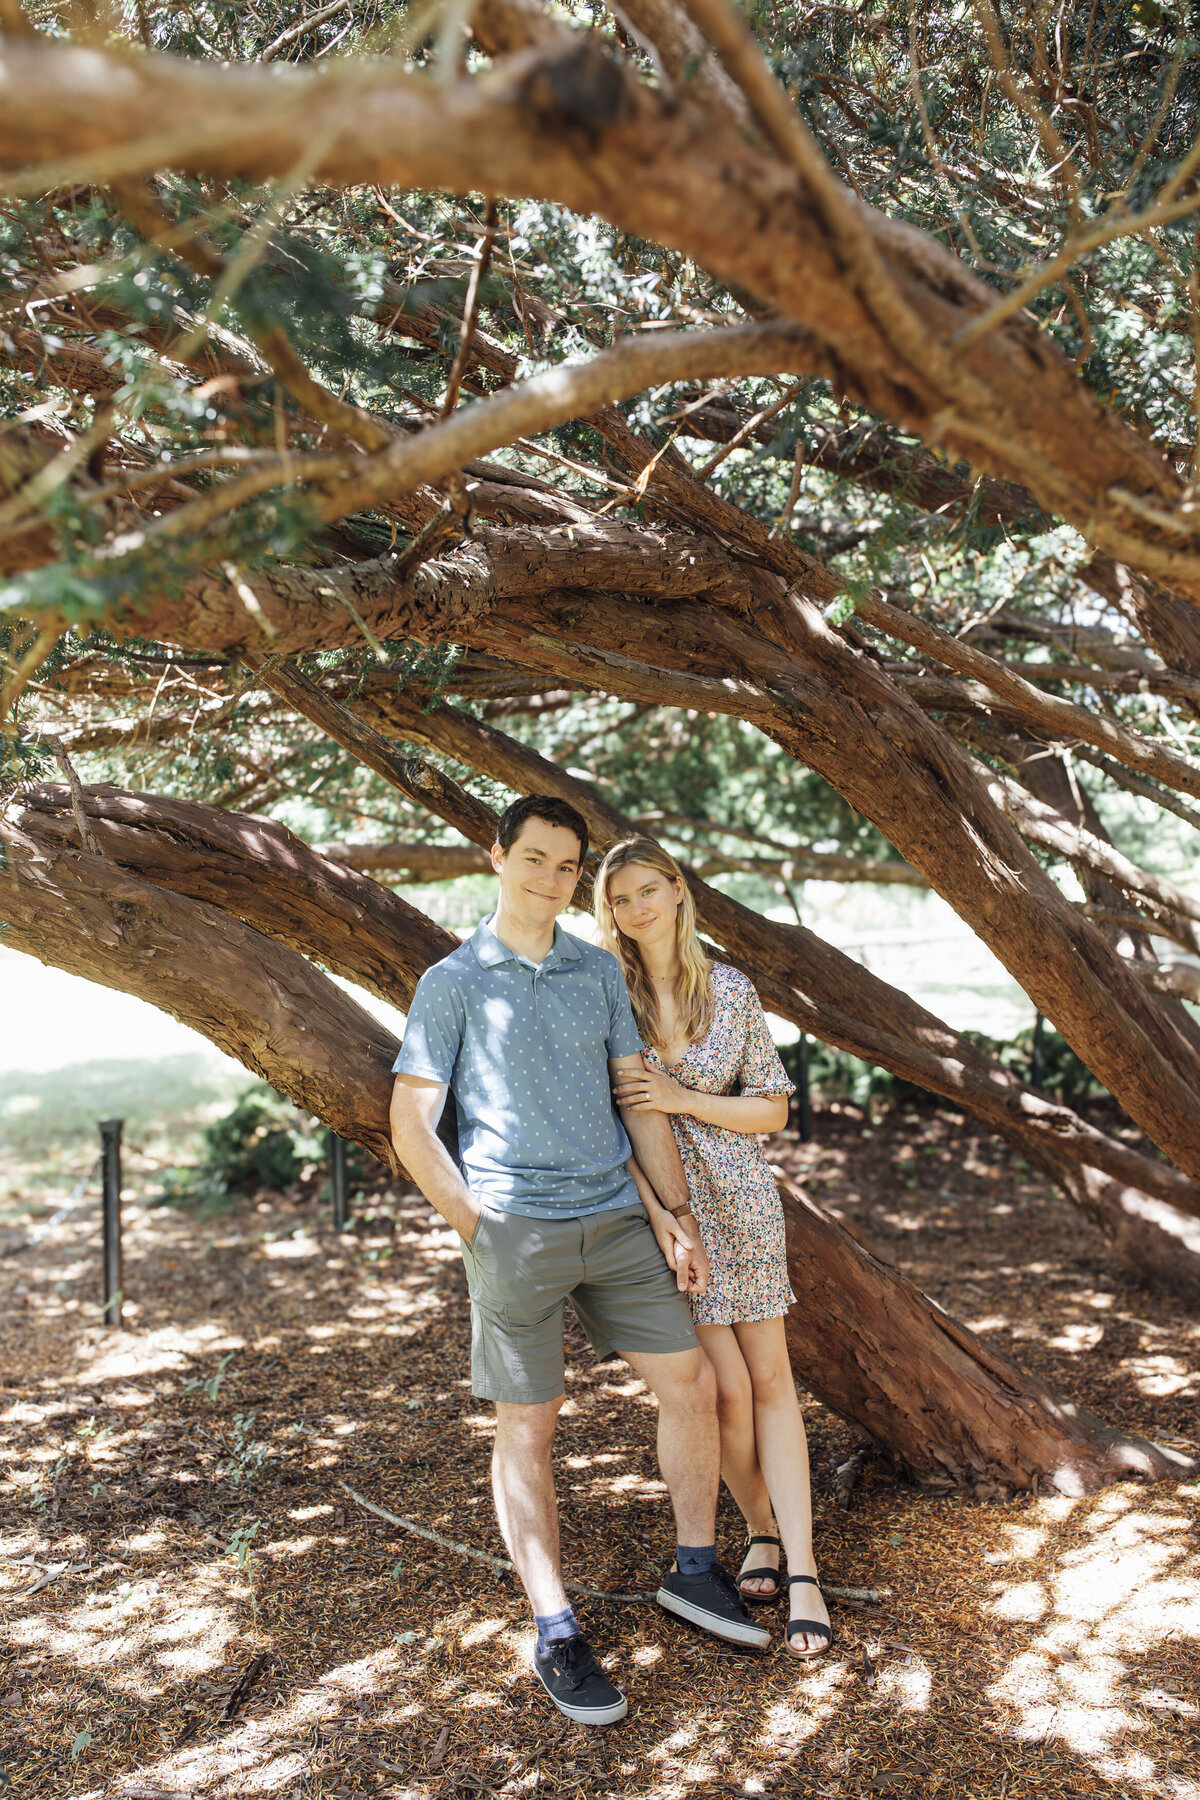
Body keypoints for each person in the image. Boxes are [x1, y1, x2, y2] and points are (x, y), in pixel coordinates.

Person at [389, 795, 769, 1730]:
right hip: (515, 1230)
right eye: (534, 859)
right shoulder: (452, 982)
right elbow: (411, 1121)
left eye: (567, 867)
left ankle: (694, 1570)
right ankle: (556, 1629)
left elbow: (637, 1099)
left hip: (616, 1219)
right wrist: (477, 1225)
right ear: (497, 856)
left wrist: (677, 1216)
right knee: (529, 1426)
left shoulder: (598, 970)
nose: (550, 879)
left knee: (690, 1386)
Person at [596, 834, 833, 1661]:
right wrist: (661, 1213)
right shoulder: (606, 993)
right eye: (620, 899)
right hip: (668, 1216)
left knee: (771, 1383)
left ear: (676, 888)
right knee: (723, 1392)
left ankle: (802, 1569)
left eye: (647, 890)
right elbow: (606, 1123)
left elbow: (773, 1107)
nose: (637, 908)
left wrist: (681, 1096)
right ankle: (760, 1527)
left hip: (743, 1202)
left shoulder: (729, 989)